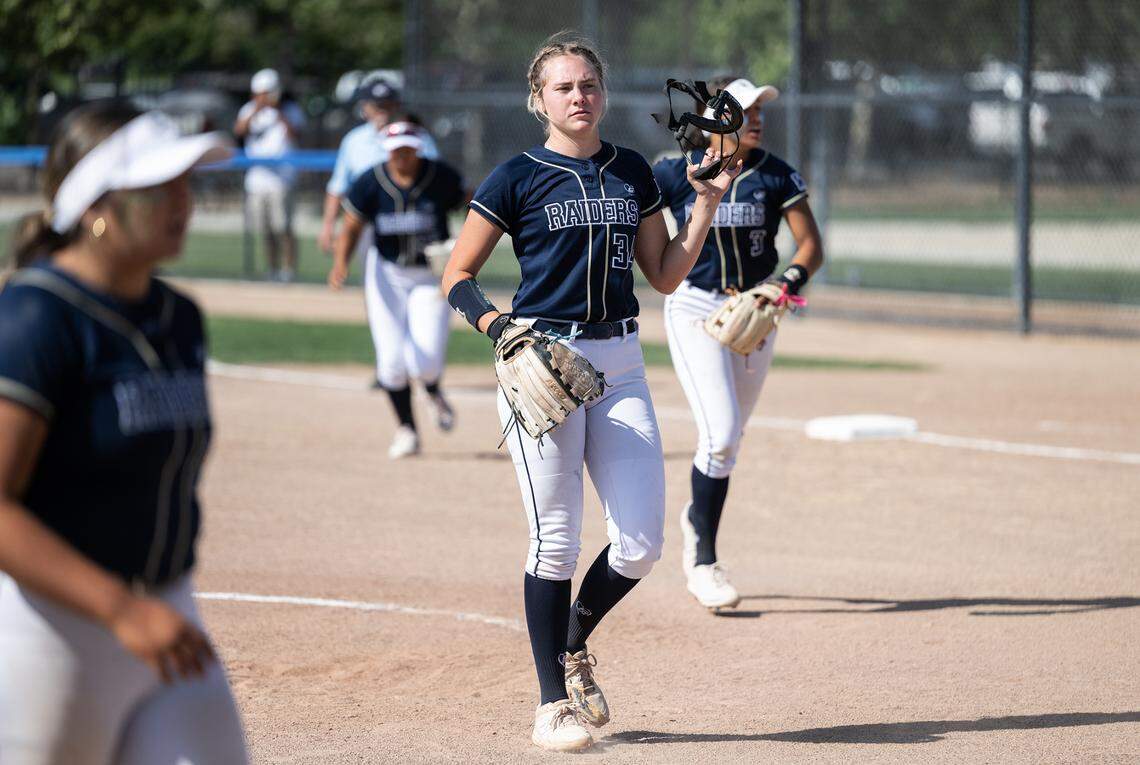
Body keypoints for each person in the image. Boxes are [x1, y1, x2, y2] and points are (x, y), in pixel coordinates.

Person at [441, 36, 742, 752]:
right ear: (538, 99)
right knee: (556, 542)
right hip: (540, 356)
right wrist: (499, 328)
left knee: (639, 541)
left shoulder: (630, 171)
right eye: (563, 87)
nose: (579, 97)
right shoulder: (516, 175)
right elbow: (457, 274)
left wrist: (702, 206)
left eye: (588, 85)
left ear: (602, 94)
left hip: (620, 361)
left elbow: (665, 274)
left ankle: (571, 641)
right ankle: (552, 704)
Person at [0, 102, 249, 764]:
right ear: (94, 205)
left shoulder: (180, 319)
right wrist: (119, 609)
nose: (184, 201)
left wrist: (145, 609)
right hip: (55, 637)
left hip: (169, 616)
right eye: (159, 187)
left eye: (186, 183)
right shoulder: (34, 318)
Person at [653, 77, 825, 611]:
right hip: (696, 306)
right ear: (713, 117)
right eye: (743, 109)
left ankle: (696, 515)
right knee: (721, 433)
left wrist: (785, 284)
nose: (756, 117)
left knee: (730, 440)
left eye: (759, 109)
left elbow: (810, 245)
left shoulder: (774, 173)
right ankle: (703, 558)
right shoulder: (675, 171)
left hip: (757, 307)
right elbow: (636, 222)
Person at [328, 121, 466, 459]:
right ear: (386, 151)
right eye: (396, 150)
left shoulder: (440, 176)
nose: (402, 156)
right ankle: (407, 429)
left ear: (418, 148)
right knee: (390, 362)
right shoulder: (371, 182)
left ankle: (432, 389)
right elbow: (351, 226)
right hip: (385, 274)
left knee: (426, 362)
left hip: (429, 276)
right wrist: (341, 263)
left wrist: (463, 248)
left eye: (408, 149)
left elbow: (474, 206)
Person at [318, 78, 440, 254]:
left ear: (397, 105)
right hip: (367, 222)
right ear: (365, 108)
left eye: (388, 105)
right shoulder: (354, 140)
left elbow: (436, 175)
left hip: (411, 220)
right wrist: (328, 226)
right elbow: (337, 186)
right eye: (377, 106)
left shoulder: (417, 136)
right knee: (373, 277)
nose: (383, 112)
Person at [233, 67, 305, 282]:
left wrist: (278, 112)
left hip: (282, 178)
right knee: (265, 230)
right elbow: (238, 131)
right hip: (257, 180)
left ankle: (289, 270)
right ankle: (272, 269)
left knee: (283, 227)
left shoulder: (290, 110)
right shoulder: (248, 110)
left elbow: (296, 134)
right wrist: (257, 108)